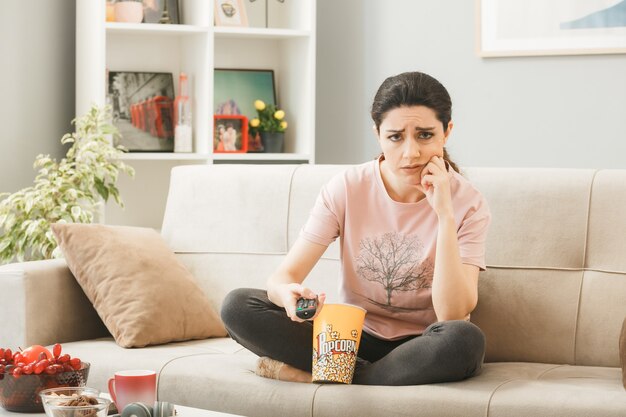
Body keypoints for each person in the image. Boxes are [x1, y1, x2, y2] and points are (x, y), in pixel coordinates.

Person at [220, 71, 491, 385]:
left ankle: (335, 375)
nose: (410, 152)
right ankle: (368, 377)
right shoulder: (346, 188)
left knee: (464, 339)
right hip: (350, 339)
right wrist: (287, 294)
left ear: (447, 133)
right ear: (377, 134)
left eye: (425, 135)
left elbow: (452, 313)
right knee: (238, 305)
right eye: (395, 137)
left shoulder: (468, 203)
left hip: (421, 347)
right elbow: (282, 278)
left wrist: (444, 214)